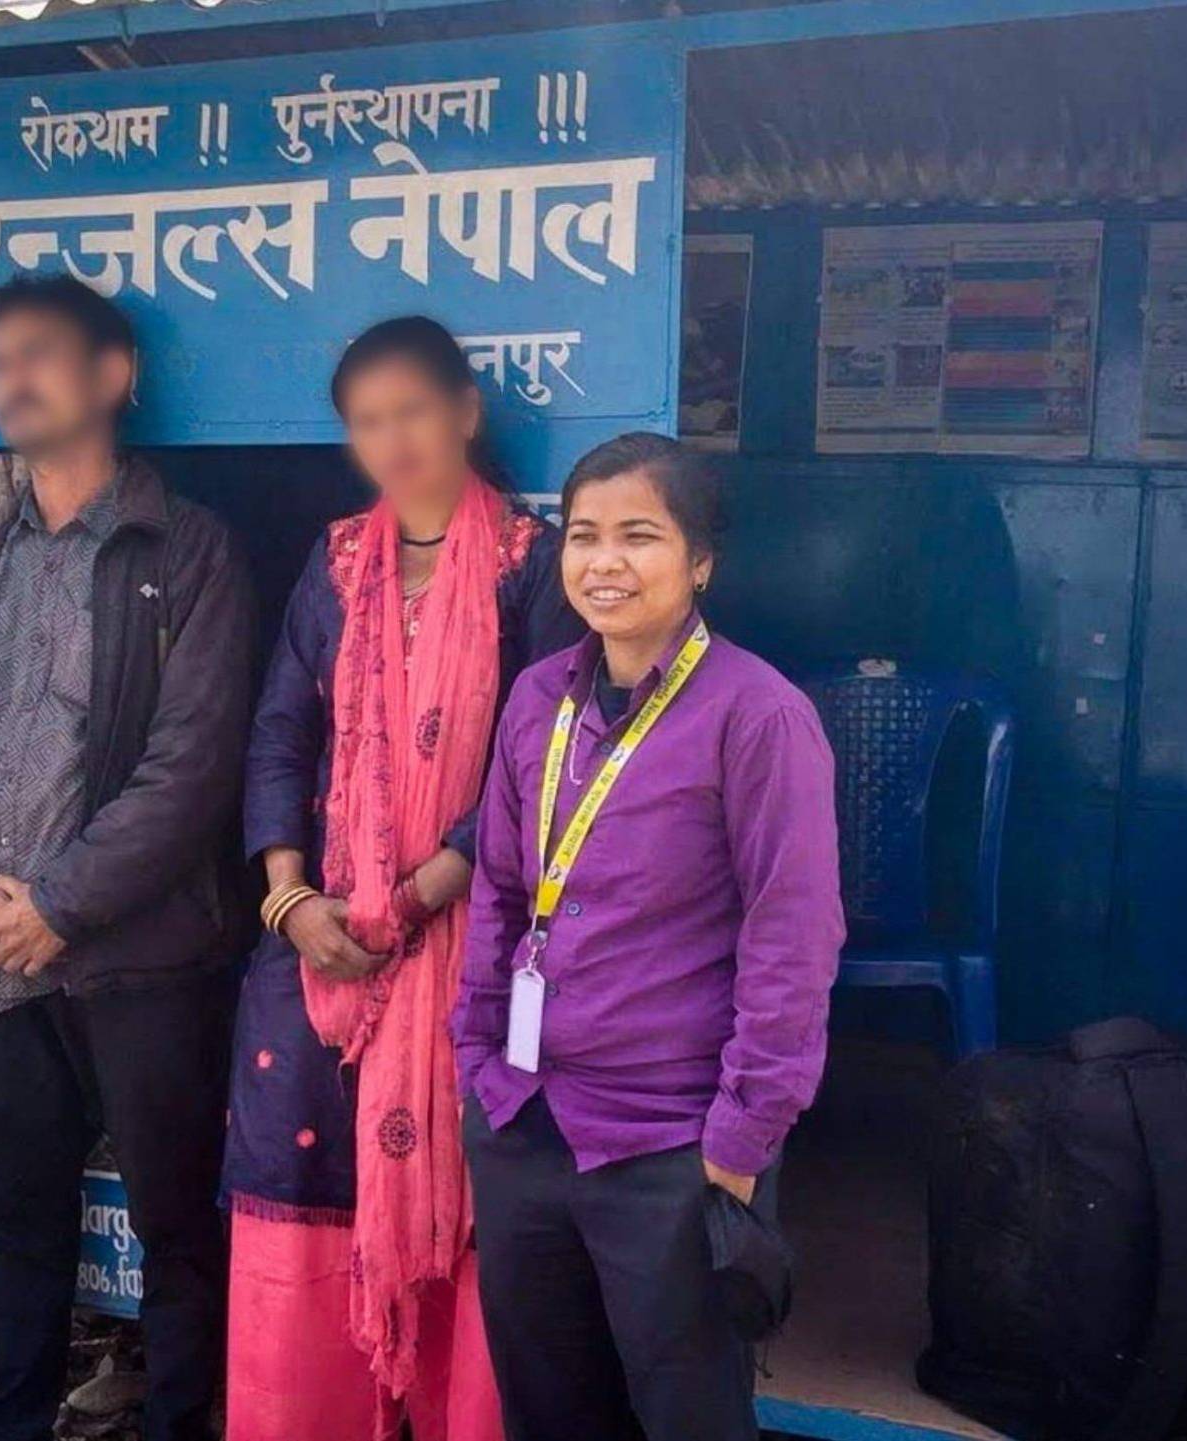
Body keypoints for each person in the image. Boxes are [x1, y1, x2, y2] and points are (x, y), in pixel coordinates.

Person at [0, 273, 257, 1441]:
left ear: (114, 376)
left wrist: (59, 903)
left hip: (141, 958)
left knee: (177, 1227)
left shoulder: (187, 549)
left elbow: (193, 766)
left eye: (39, 352)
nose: (13, 377)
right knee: (19, 1218)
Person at [222, 316, 585, 1441]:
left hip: (473, 938)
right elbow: (281, 729)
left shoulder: (535, 569)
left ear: (465, 411)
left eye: (412, 411)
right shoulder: (332, 565)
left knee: (475, 1194)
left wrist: (423, 888)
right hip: (321, 944)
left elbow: (545, 763)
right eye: (368, 422)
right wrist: (289, 897)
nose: (393, 440)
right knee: (297, 1155)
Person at [456, 432, 844, 1441]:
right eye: (584, 535)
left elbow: (791, 937)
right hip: (523, 1116)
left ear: (700, 560)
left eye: (639, 535)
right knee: (548, 1406)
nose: (604, 561)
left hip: (668, 1139)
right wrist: (477, 1057)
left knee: (685, 1412)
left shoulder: (759, 717)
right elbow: (500, 889)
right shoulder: (538, 698)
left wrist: (742, 1136)